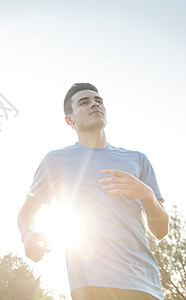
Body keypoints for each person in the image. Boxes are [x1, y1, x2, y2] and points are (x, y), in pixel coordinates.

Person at [17, 83, 169, 300]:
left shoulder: (137, 159)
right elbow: (27, 212)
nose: (94, 104)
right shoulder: (55, 161)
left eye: (98, 100)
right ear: (70, 120)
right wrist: (27, 234)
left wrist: (147, 195)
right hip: (92, 284)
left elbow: (161, 230)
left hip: (145, 285)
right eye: (84, 102)